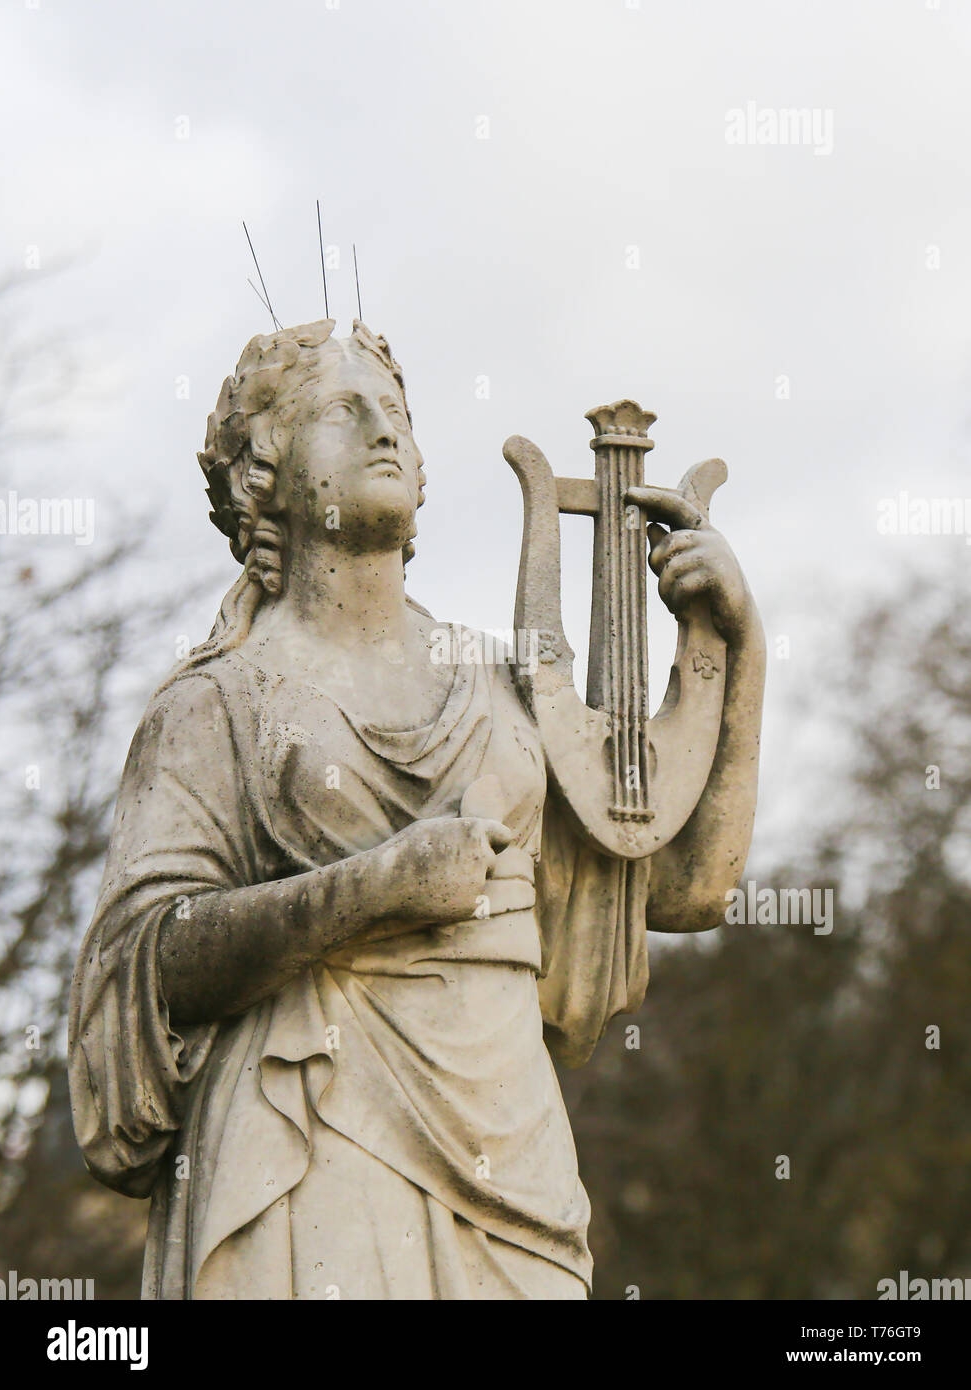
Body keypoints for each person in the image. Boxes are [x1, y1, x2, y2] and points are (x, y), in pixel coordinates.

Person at [68, 319, 765, 1299]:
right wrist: (369, 891)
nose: (383, 430)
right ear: (261, 475)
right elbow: (144, 963)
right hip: (305, 1133)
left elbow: (685, 888)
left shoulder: (503, 685)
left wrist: (729, 648)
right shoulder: (219, 701)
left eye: (393, 410)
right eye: (341, 413)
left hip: (509, 1151)